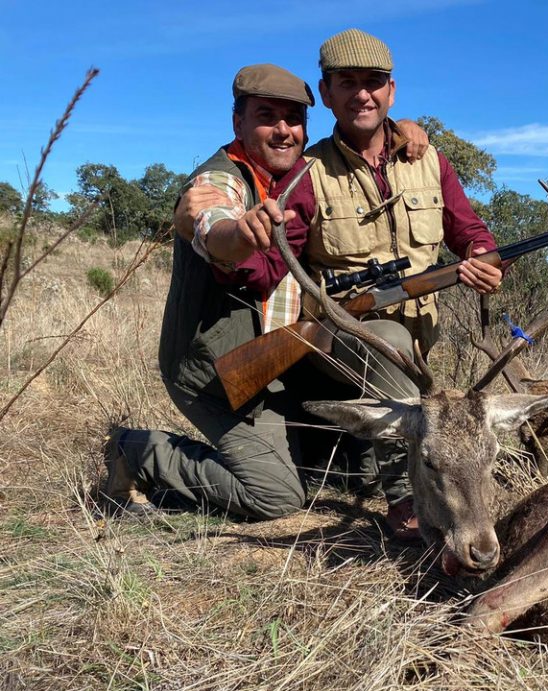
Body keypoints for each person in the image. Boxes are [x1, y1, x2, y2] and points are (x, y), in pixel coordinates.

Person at [100, 63, 431, 522]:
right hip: (219, 375)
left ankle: (391, 484)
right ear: (238, 122)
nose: (283, 130)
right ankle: (135, 450)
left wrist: (405, 129)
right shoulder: (220, 179)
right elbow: (212, 224)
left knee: (359, 468)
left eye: (293, 119)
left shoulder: (304, 173)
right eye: (266, 116)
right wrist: (240, 235)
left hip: (283, 363)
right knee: (276, 496)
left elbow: (366, 136)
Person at [230, 29, 503, 539]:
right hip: (335, 336)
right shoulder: (306, 173)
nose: (362, 94)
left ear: (391, 92)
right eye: (346, 83)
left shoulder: (429, 160)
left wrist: (482, 259)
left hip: (412, 354)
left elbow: (469, 231)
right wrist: (233, 246)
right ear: (327, 92)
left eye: (373, 83)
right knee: (391, 343)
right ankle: (406, 498)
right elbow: (268, 263)